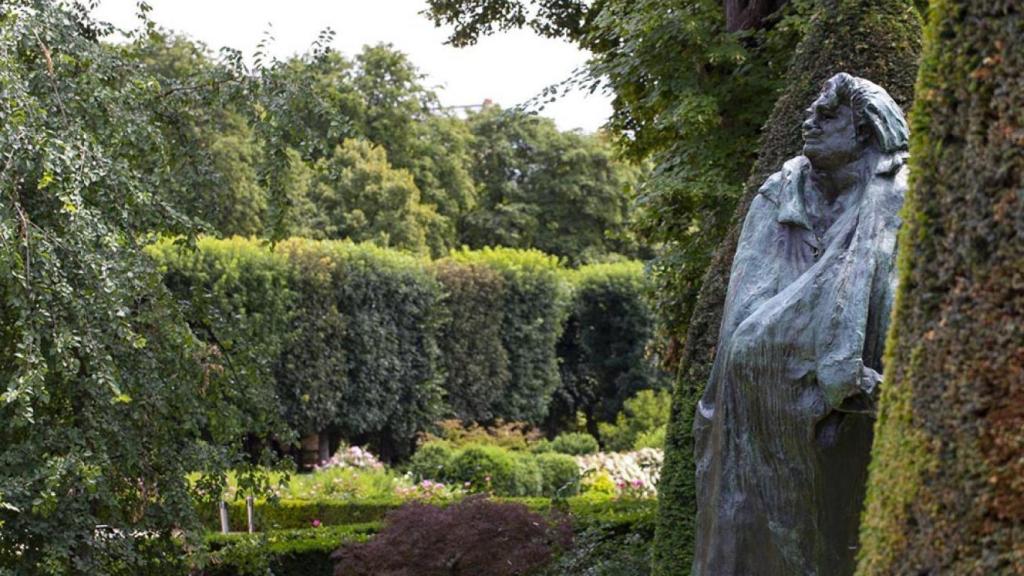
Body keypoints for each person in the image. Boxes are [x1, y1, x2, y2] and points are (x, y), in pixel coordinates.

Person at [692, 73, 910, 576]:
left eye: (829, 114)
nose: (809, 119)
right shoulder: (780, 194)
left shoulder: (898, 198)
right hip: (765, 409)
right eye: (813, 109)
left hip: (862, 415)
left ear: (865, 132)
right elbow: (745, 326)